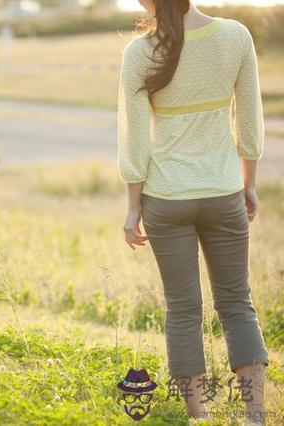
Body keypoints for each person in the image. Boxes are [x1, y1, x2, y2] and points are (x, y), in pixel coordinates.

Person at [117, 1, 269, 424]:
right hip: (224, 193)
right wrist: (249, 181)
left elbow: (134, 139)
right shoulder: (235, 35)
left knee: (182, 308)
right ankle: (255, 414)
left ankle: (198, 415)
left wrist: (133, 206)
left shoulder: (140, 52)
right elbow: (250, 118)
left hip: (166, 198)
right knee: (238, 303)